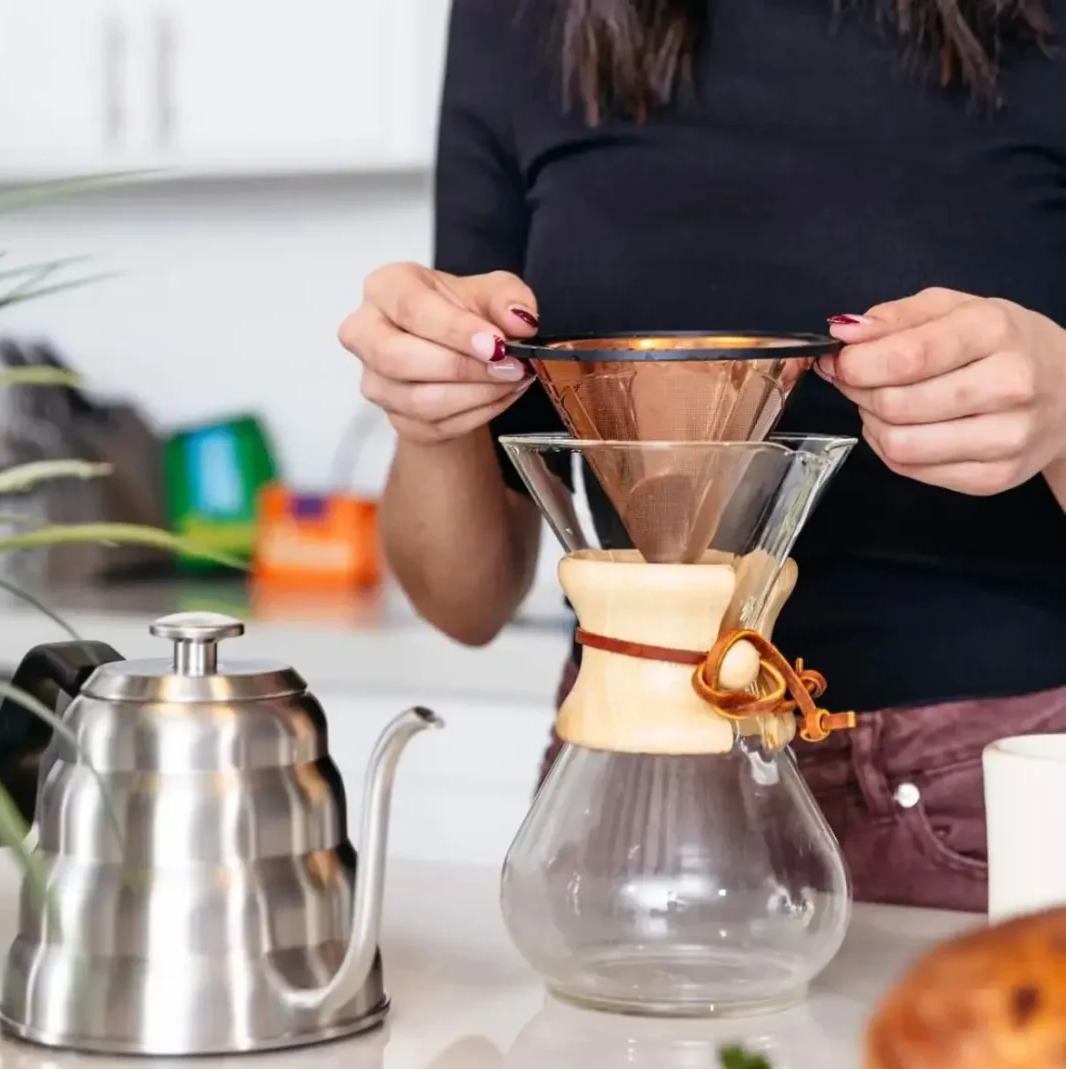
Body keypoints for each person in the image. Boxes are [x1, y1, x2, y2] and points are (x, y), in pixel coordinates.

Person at [338, 0, 1066, 913]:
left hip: (1005, 797)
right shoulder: (521, 16)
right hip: (628, 789)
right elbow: (465, 603)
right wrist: (429, 406)